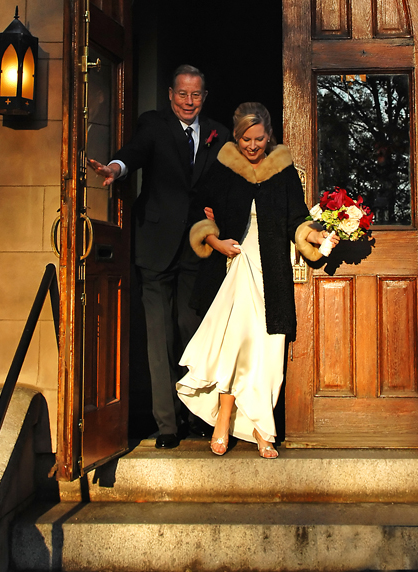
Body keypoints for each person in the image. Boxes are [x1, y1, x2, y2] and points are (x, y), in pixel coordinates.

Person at [176, 102, 338, 458]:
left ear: (269, 137)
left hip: (272, 274)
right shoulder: (222, 168)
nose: (253, 146)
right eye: (246, 139)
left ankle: (262, 428)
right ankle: (225, 417)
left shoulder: (283, 171)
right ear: (237, 137)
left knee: (267, 348)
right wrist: (215, 241)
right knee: (234, 345)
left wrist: (317, 237)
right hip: (234, 269)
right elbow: (196, 211)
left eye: (259, 139)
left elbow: (297, 218)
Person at [88, 64, 230, 449]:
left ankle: (196, 413)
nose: (188, 101)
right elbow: (132, 154)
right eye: (182, 94)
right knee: (159, 337)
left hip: (198, 248)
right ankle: (167, 424)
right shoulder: (153, 125)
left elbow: (230, 183)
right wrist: (116, 169)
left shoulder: (220, 134)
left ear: (204, 97)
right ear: (170, 94)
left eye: (196, 95)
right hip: (154, 246)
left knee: (192, 330)